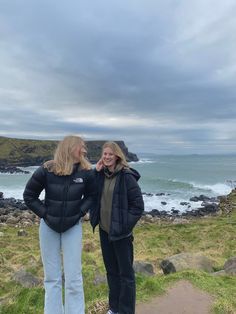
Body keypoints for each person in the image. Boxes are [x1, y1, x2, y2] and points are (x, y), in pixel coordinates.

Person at [23, 135, 95, 314]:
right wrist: (46, 214)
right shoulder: (47, 169)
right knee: (51, 279)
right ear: (70, 148)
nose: (84, 151)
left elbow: (92, 196)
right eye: (82, 147)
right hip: (48, 228)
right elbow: (29, 195)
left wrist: (79, 213)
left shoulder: (86, 171)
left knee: (74, 278)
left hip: (73, 227)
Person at [90, 141, 144, 314]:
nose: (106, 157)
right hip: (105, 232)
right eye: (104, 154)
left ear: (117, 156)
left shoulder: (126, 176)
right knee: (111, 272)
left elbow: (138, 206)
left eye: (110, 154)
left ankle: (126, 311)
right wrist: (95, 172)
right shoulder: (102, 175)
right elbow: (90, 191)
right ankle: (114, 308)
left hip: (121, 235)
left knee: (126, 276)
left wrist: (123, 227)